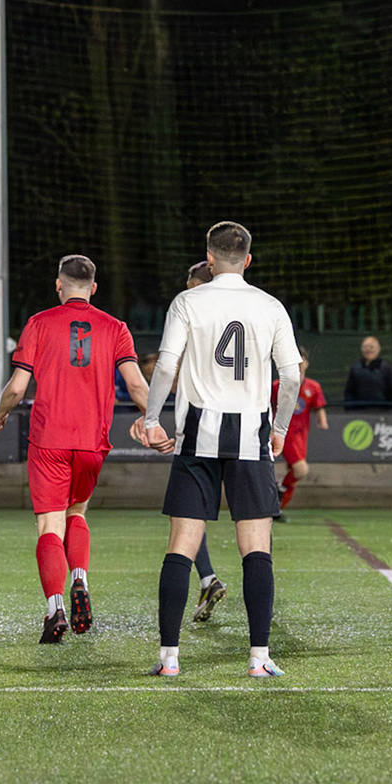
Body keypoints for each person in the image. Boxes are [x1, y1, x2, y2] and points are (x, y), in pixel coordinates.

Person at [137, 221, 302, 679]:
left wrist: (151, 420)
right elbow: (291, 376)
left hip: (198, 435)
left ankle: (169, 658)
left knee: (181, 546)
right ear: (248, 259)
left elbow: (166, 366)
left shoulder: (188, 301)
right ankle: (259, 657)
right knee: (256, 549)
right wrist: (281, 427)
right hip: (251, 435)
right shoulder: (269, 306)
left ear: (209, 259)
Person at [0, 254, 149, 642]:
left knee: (49, 524)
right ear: (94, 288)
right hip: (92, 440)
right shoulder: (116, 327)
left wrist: (0, 415)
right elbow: (137, 384)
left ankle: (55, 608)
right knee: (77, 512)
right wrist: (154, 418)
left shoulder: (39, 323)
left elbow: (17, 387)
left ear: (58, 285)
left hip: (49, 438)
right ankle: (80, 579)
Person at [176, 259, 230, 623]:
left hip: (203, 424)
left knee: (188, 512)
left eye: (192, 288)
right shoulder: (252, 311)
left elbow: (172, 368)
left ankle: (208, 578)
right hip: (245, 427)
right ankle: (210, 578)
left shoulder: (193, 320)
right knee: (255, 519)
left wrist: (152, 416)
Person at [273, 350, 328, 518]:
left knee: (295, 472)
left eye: (301, 360)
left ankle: (278, 506)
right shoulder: (277, 386)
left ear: (306, 363)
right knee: (301, 469)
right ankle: (279, 490)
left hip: (301, 434)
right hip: (284, 432)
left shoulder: (313, 387)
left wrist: (322, 420)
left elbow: (318, 406)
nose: (298, 363)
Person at [342, 336, 392, 408]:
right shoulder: (355, 369)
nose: (368, 350)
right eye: (365, 347)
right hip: (359, 411)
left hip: (381, 411)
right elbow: (349, 392)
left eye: (371, 347)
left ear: (378, 349)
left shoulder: (387, 368)